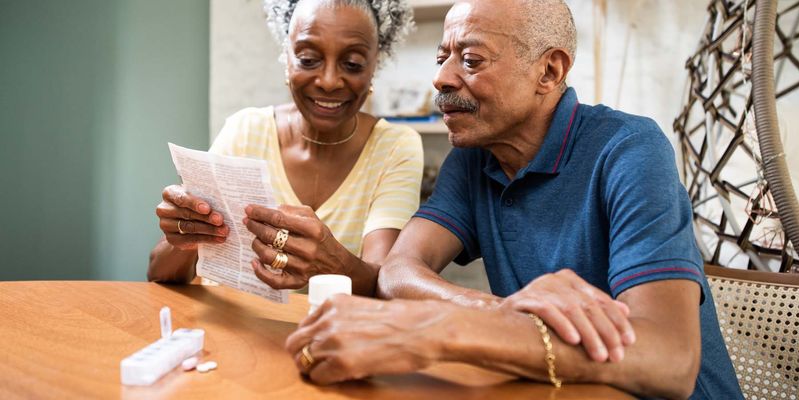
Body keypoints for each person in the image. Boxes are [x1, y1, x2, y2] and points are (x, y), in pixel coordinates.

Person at [284, 1, 744, 399]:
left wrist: (443, 328)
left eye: (470, 60)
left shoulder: (629, 149)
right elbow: (399, 271)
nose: (442, 78)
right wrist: (498, 310)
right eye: (443, 57)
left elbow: (669, 360)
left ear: (549, 70)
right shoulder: (473, 157)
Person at [148, 0, 422, 296]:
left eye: (352, 64)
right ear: (286, 57)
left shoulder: (394, 147)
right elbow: (159, 274)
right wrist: (184, 235)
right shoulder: (245, 131)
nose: (329, 81)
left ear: (375, 64)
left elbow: (383, 286)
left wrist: (331, 261)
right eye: (308, 59)